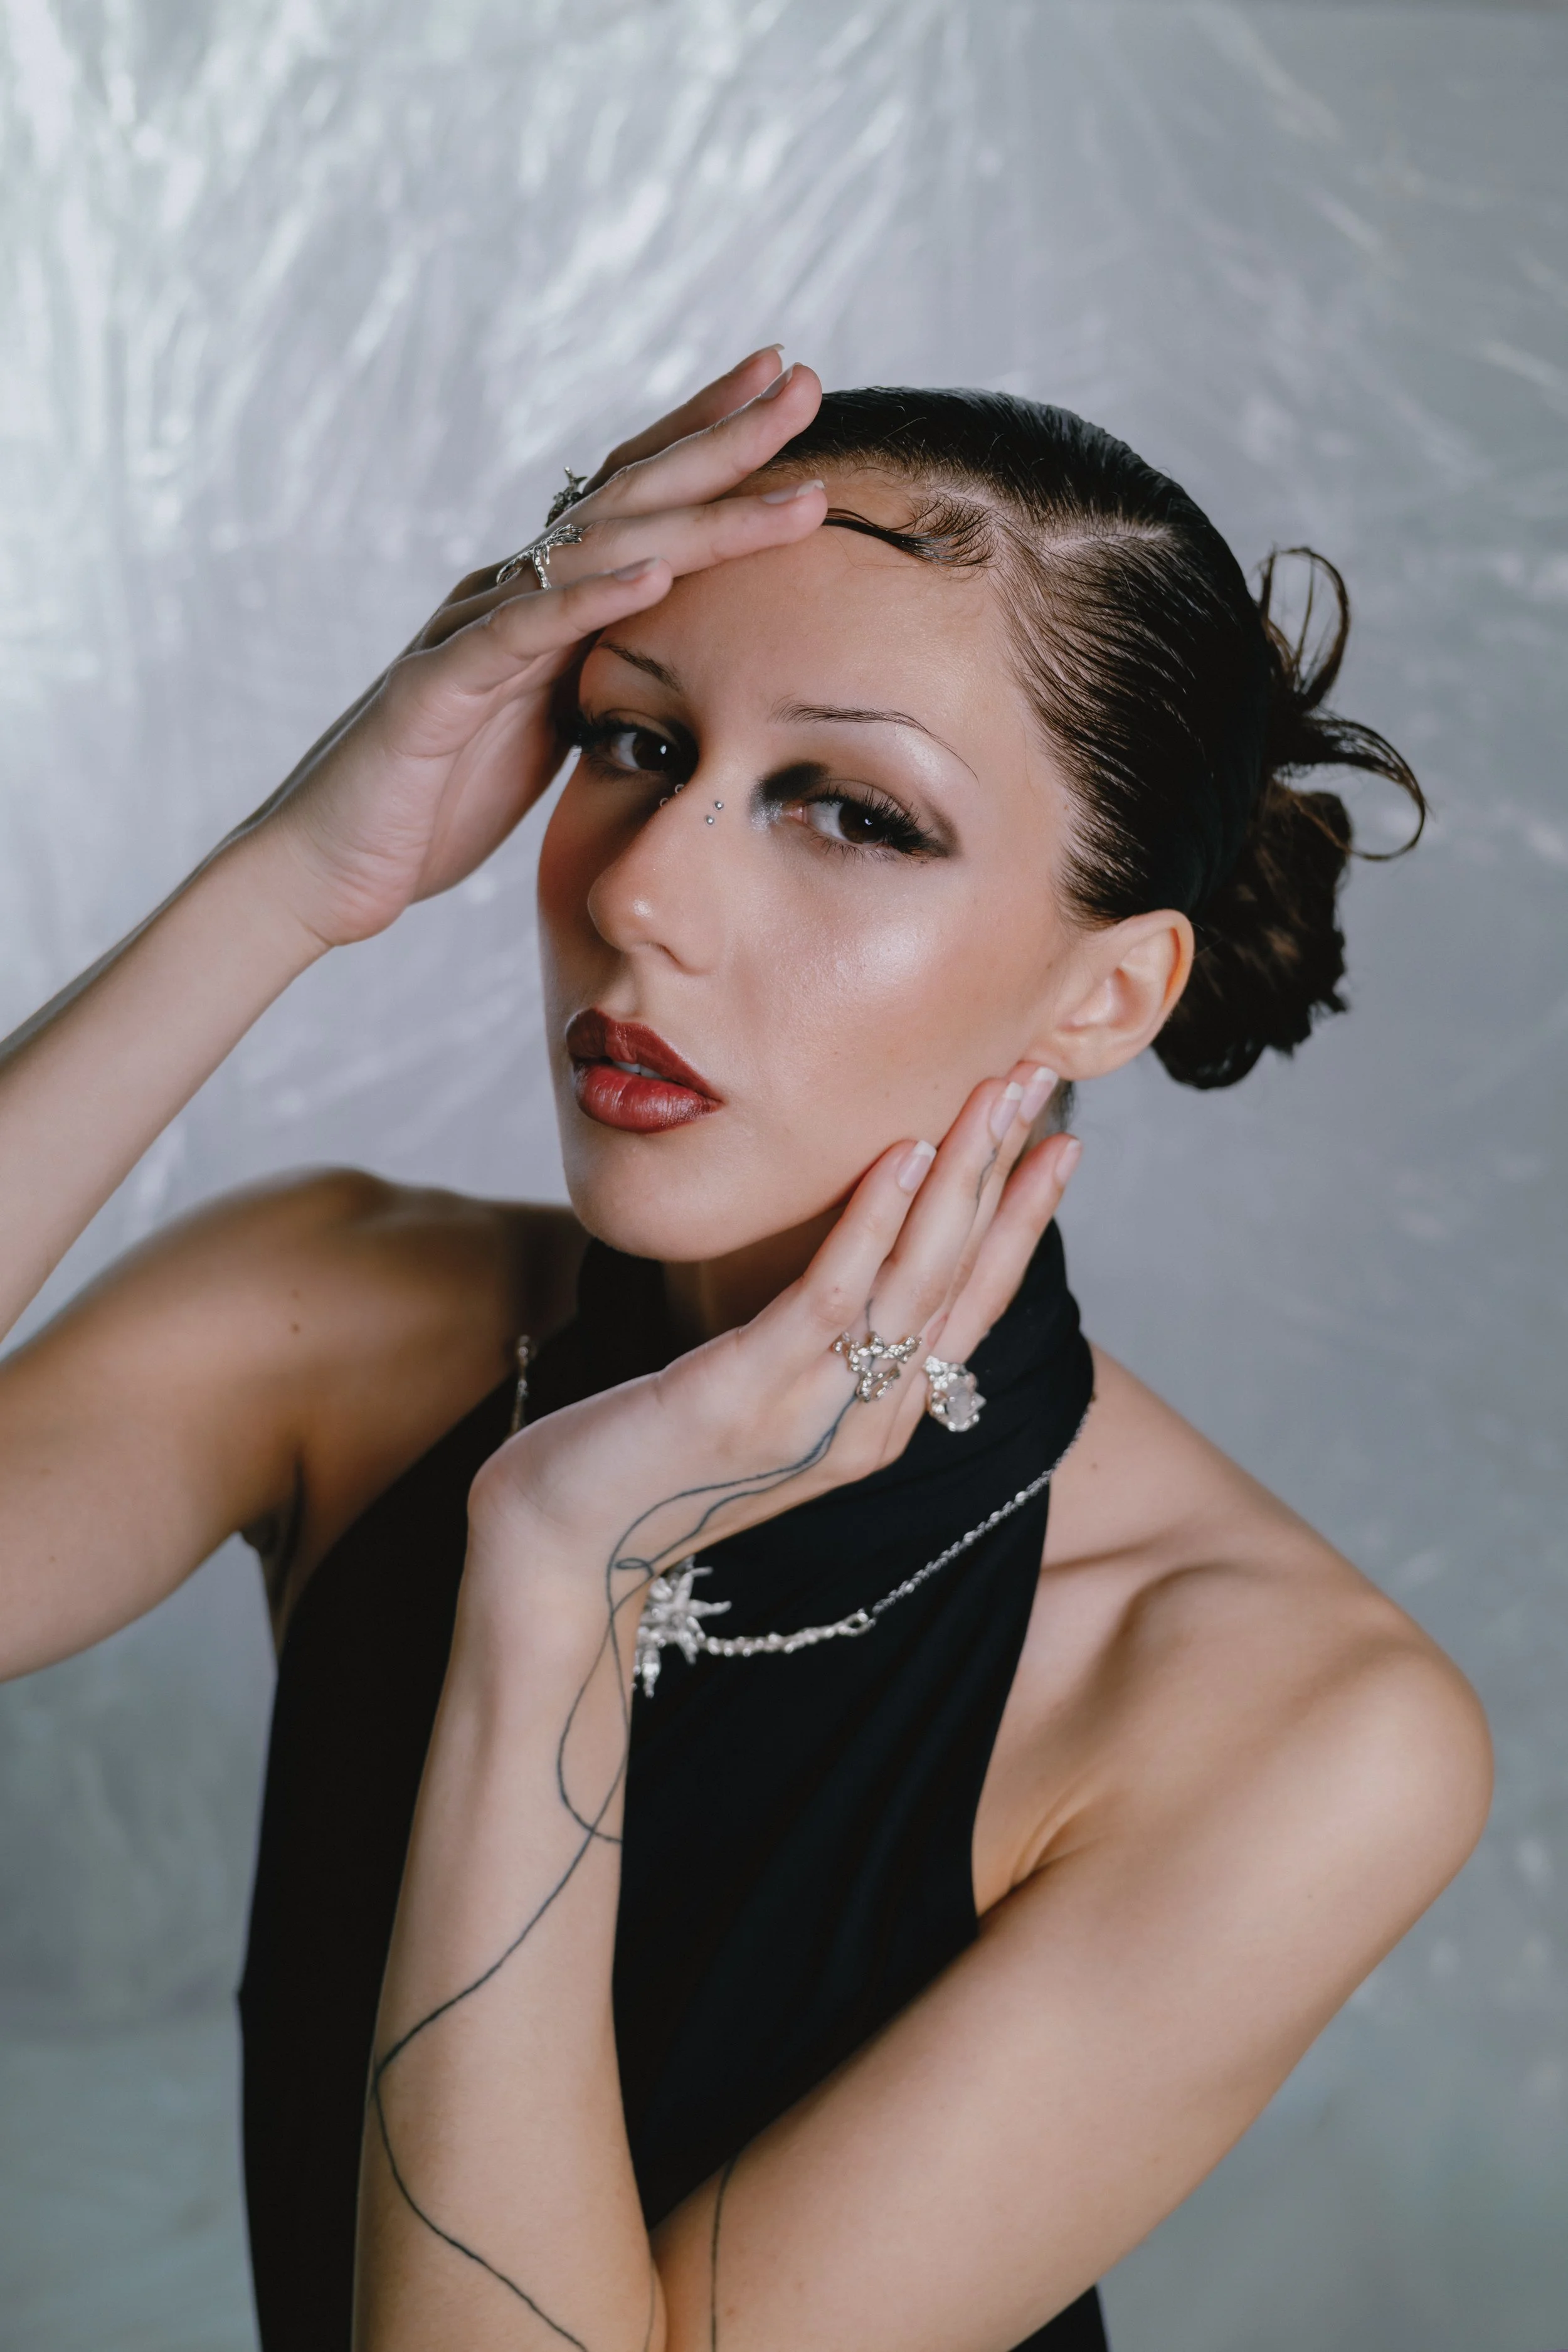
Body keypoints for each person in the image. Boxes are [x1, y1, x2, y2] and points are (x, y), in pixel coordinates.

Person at [0, 347, 1490, 2352]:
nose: (639, 888)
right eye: (630, 742)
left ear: (1101, 991)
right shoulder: (330, 1315)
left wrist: (560, 1577)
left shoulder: (1295, 1722)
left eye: (851, 811)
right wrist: (296, 879)